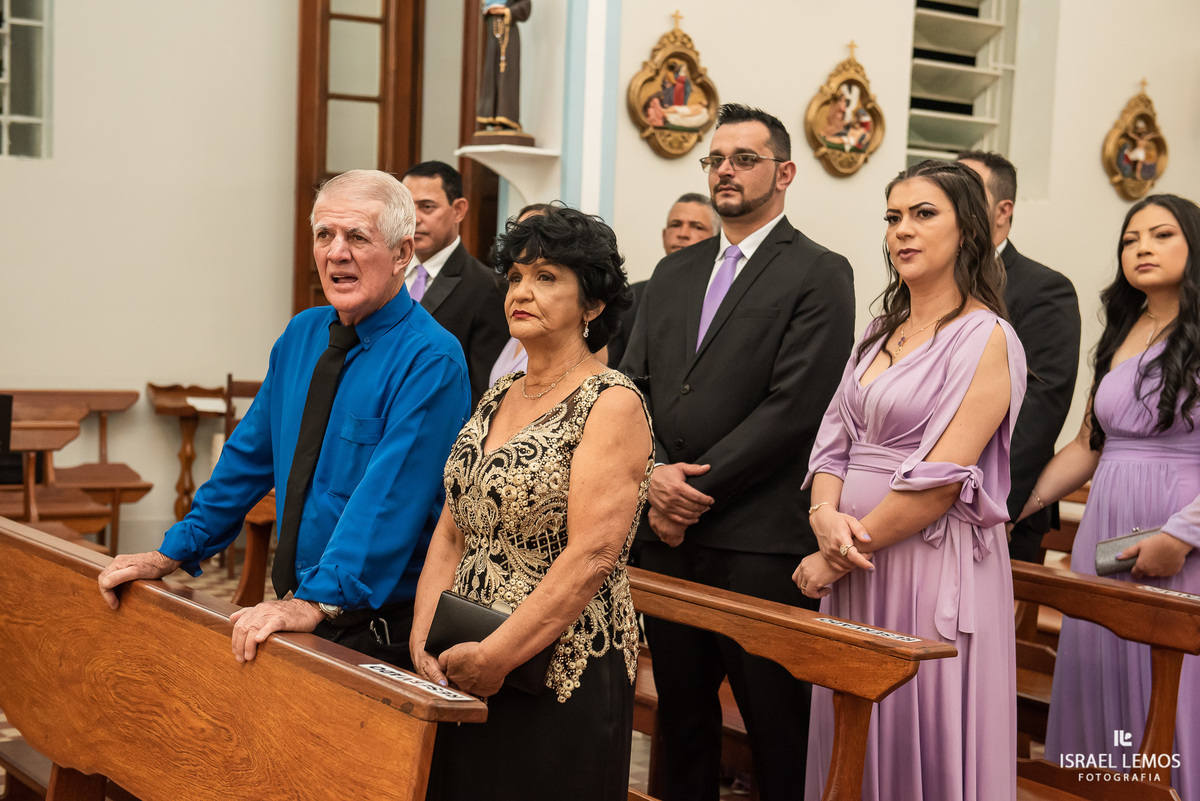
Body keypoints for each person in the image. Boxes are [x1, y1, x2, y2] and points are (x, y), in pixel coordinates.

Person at [98, 170, 470, 667]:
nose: (337, 252)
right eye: (324, 236)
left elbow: (387, 501)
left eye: (357, 237)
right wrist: (172, 551)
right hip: (301, 610)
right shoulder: (302, 335)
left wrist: (313, 601)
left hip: (376, 630)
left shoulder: (432, 360)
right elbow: (247, 459)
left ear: (403, 254)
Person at [620, 103, 855, 801]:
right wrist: (655, 475)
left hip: (756, 541)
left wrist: (688, 492)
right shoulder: (674, 272)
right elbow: (634, 386)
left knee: (774, 725)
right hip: (666, 538)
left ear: (783, 172)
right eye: (716, 159)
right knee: (682, 718)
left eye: (743, 159)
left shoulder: (818, 271)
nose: (725, 170)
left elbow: (795, 406)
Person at [796, 159, 1025, 801]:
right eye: (893, 217)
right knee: (852, 734)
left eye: (924, 214)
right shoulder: (876, 334)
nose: (903, 230)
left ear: (969, 231)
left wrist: (838, 556)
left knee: (913, 725)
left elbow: (942, 482)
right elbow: (832, 443)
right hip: (855, 556)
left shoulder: (987, 337)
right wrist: (823, 519)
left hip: (923, 563)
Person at [410, 207, 650, 801]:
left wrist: (498, 654)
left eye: (546, 278)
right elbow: (451, 529)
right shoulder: (498, 395)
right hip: (464, 646)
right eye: (516, 277)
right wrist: (422, 634)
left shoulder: (611, 402)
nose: (521, 291)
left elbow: (594, 555)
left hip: (557, 662)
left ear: (592, 304)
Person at [1025, 194, 1200, 797]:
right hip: (1108, 529)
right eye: (1131, 240)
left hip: (1180, 528)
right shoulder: (1124, 330)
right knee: (1103, 675)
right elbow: (1087, 444)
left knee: (1173, 692)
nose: (1142, 247)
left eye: (1162, 234)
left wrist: (1182, 535)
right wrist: (1009, 504)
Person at [958, 151, 1081, 562]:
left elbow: (1041, 405)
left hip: (998, 512)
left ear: (1002, 210)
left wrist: (996, 507)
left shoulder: (1044, 289)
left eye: (968, 190)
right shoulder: (929, 283)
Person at [402, 161, 510, 407]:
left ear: (458, 210)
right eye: (408, 207)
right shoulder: (387, 274)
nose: (415, 219)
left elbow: (482, 391)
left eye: (427, 207)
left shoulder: (488, 288)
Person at [476, 0, 531, 133]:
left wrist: (506, 11)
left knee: (507, 74)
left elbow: (525, 6)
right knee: (491, 74)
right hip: (493, 34)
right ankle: (492, 116)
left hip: (508, 31)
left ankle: (507, 116)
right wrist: (488, 10)